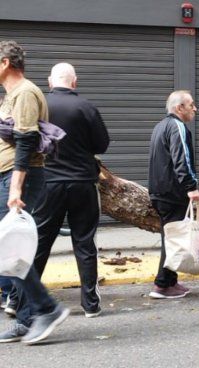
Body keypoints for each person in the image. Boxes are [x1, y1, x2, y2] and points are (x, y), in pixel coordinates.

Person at [0, 40, 69, 345]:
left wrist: (15, 188)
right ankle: (27, 318)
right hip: (8, 176)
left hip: (20, 180)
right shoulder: (10, 96)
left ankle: (46, 308)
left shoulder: (26, 92)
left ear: (4, 63)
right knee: (9, 251)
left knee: (11, 250)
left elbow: (27, 141)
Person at [30, 62, 109, 318]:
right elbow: (102, 144)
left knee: (40, 242)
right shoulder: (86, 107)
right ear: (74, 82)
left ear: (50, 81)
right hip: (83, 184)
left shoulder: (39, 105)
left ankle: (23, 301)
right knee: (85, 242)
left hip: (48, 184)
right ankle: (90, 304)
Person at [148, 90, 199, 299]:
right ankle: (162, 284)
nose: (195, 109)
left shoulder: (160, 126)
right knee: (173, 239)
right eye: (191, 105)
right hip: (172, 192)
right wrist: (191, 186)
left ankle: (170, 281)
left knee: (172, 238)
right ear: (180, 108)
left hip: (160, 191)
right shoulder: (177, 126)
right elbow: (182, 160)